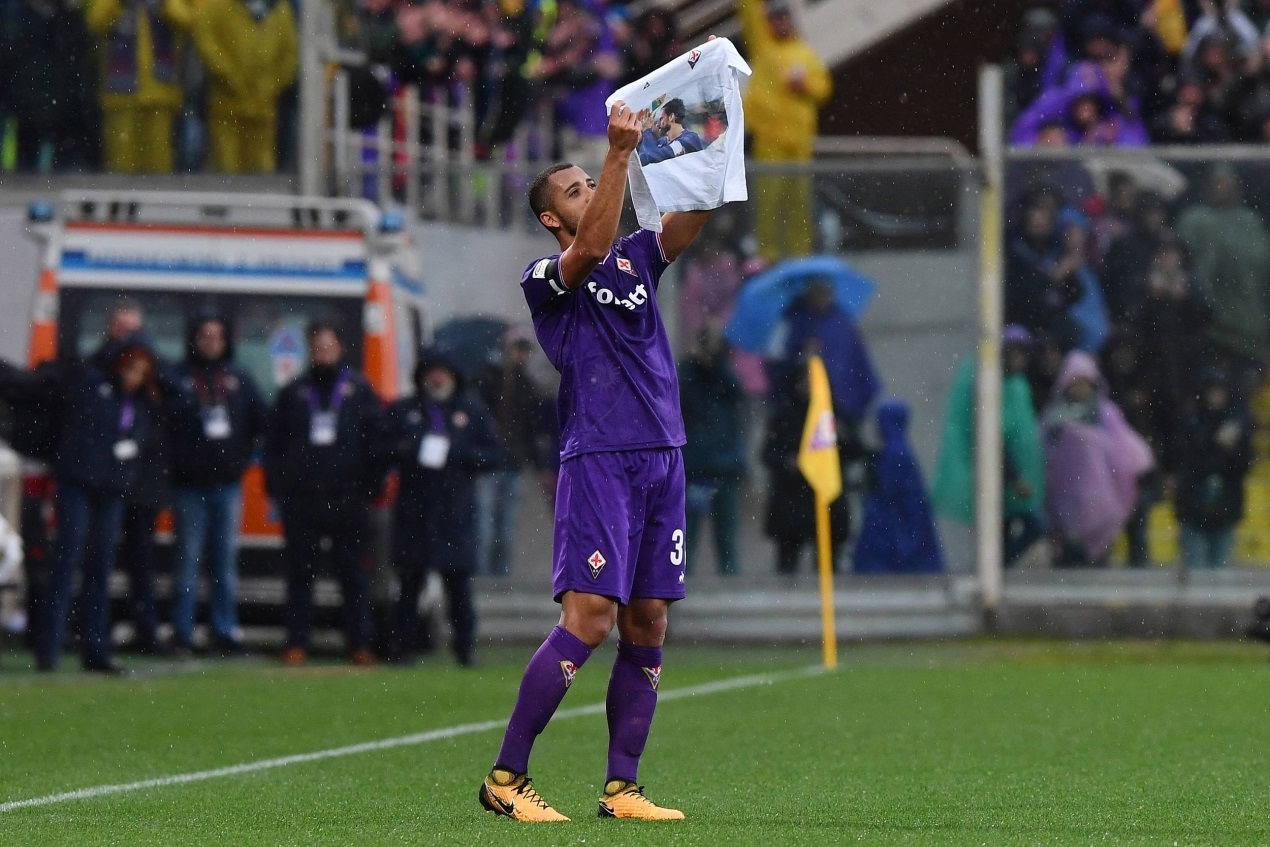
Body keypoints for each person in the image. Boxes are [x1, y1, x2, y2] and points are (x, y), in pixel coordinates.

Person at [479, 99, 716, 823]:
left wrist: (714, 126)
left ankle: (622, 788)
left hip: (664, 456)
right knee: (589, 618)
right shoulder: (547, 276)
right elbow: (588, 250)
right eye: (574, 189)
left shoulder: (639, 255)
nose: (588, 190)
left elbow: (695, 214)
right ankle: (505, 778)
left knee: (648, 622)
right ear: (551, 218)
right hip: (601, 459)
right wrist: (616, 156)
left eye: (591, 182)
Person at [36, 335, 161, 673]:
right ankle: (49, 648)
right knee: (67, 562)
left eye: (141, 372)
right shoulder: (93, 385)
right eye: (130, 368)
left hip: (111, 489)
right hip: (78, 483)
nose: (134, 377)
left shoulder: (140, 402)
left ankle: (95, 648)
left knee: (100, 569)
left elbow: (142, 435)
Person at [264, 322, 383, 666]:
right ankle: (297, 642)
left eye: (328, 347)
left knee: (353, 575)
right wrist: (279, 487)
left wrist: (369, 486)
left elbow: (375, 440)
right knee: (301, 574)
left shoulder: (359, 390)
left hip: (348, 498)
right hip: (304, 499)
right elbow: (275, 443)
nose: (323, 354)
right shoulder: (294, 392)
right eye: (317, 348)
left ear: (340, 349)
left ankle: (359, 644)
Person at [379, 349, 502, 666]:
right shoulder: (406, 410)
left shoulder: (471, 410)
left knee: (458, 586)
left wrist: (462, 455)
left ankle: (464, 648)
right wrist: (408, 449)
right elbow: (381, 449)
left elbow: (494, 454)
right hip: (414, 510)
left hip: (454, 511)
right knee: (409, 584)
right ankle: (402, 649)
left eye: (442, 372)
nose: (437, 378)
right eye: (431, 372)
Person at [166, 315, 267, 655]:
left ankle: (224, 630)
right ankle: (182, 632)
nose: (211, 342)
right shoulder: (177, 378)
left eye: (217, 336)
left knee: (224, 562)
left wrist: (241, 459)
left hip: (227, 484)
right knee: (187, 561)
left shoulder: (239, 378)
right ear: (194, 339)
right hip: (188, 487)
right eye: (205, 336)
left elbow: (261, 422)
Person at [931, 326, 1046, 567]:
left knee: (1004, 531)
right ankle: (996, 569)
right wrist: (1015, 478)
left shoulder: (1015, 385)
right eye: (1015, 354)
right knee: (1022, 526)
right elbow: (993, 438)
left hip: (1004, 473)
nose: (1020, 360)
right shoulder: (989, 386)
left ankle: (996, 568)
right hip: (996, 473)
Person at [738, 0, 831, 261]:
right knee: (768, 200)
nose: (780, 23)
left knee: (799, 201)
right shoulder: (764, 47)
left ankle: (799, 255)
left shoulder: (804, 52)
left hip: (799, 142)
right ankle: (768, 254)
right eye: (775, 19)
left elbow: (824, 88)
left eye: (783, 18)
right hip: (770, 140)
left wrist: (805, 85)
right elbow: (749, 12)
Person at [1042, 351, 1154, 567]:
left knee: (1098, 552)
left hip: (1102, 494)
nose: (1079, 388)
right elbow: (1045, 449)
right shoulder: (1054, 415)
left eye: (1084, 383)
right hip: (1065, 494)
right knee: (1069, 555)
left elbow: (1123, 447)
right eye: (1075, 383)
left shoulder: (1106, 412)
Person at [761, 359, 856, 575]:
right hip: (791, 500)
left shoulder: (834, 414)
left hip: (826, 499)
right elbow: (768, 454)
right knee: (787, 564)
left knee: (827, 564)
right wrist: (788, 461)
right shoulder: (784, 417)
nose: (809, 387)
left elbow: (854, 451)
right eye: (805, 381)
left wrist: (845, 436)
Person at [85, 0, 192, 173]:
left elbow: (187, 21)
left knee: (159, 167)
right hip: (122, 95)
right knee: (122, 165)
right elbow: (96, 21)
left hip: (159, 95)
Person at [193, 0, 298, 173]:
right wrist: (229, 74)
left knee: (260, 171)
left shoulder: (278, 8)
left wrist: (271, 83)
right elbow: (206, 40)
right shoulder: (217, 6)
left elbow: (290, 53)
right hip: (227, 106)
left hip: (263, 109)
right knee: (226, 169)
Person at [471, 333, 544, 577]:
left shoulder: (527, 385)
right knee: (485, 523)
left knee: (506, 526)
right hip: (490, 461)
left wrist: (536, 463)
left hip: (513, 462)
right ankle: (482, 577)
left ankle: (500, 578)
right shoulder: (489, 377)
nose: (521, 355)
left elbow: (531, 428)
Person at [677, 326, 745, 576]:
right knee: (689, 532)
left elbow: (737, 392)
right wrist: (695, 363)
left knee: (726, 535)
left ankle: (729, 581)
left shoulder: (724, 376)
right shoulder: (688, 375)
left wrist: (718, 364)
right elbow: (681, 397)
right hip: (697, 468)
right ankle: (683, 580)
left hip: (724, 467)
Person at [852, 400, 944, 574]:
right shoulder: (901, 450)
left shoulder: (893, 453)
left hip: (891, 524)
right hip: (904, 519)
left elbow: (888, 489)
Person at [1174, 368, 1252, 569]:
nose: (1216, 396)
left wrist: (1232, 447)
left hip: (1225, 505)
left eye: (1220, 391)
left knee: (1220, 570)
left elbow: (1244, 464)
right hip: (1194, 505)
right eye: (1212, 391)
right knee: (1195, 568)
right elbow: (1187, 461)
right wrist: (1215, 442)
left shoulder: (1237, 423)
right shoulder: (1191, 421)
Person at [636, 98, 705, 165]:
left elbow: (650, 157)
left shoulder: (690, 139)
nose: (658, 124)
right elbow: (642, 158)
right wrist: (649, 136)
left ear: (671, 117)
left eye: (661, 119)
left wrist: (647, 131)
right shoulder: (663, 141)